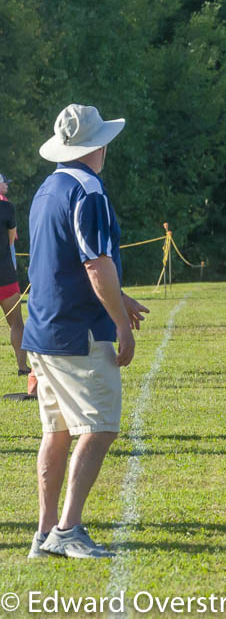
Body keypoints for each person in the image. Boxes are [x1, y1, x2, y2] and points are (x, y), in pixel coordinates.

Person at [24, 104, 149, 559]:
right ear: (99, 145)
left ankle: (44, 533)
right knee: (99, 427)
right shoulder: (89, 189)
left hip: (44, 328)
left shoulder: (47, 187)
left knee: (56, 430)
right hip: (78, 332)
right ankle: (68, 528)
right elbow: (96, 264)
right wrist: (120, 322)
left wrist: (122, 299)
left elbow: (61, 264)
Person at [0, 173, 28, 384]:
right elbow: (11, 241)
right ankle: (22, 367)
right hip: (5, 275)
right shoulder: (7, 208)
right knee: (16, 323)